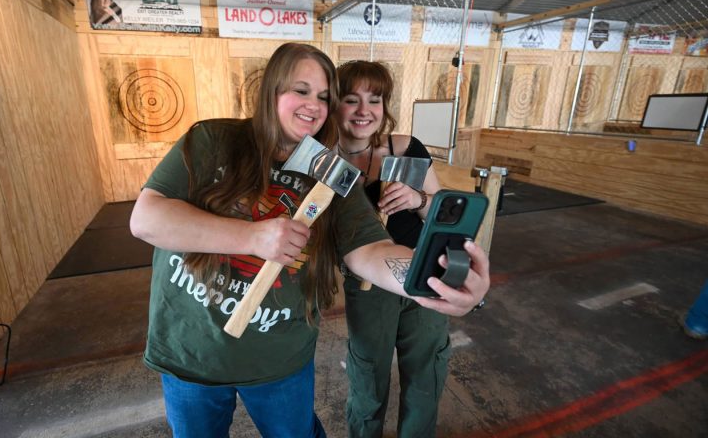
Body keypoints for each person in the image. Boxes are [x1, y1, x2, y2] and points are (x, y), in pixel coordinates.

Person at [130, 43, 490, 438]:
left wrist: (429, 277)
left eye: (323, 96)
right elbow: (147, 218)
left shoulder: (331, 172)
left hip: (280, 360)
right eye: (301, 91)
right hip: (191, 351)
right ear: (272, 92)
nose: (314, 105)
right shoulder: (214, 139)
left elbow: (369, 249)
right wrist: (252, 237)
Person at [335, 60, 448, 438]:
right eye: (352, 99)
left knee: (425, 378)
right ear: (335, 104)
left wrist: (418, 199)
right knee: (367, 382)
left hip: (423, 274)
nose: (364, 110)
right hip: (368, 287)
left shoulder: (404, 148)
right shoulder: (325, 160)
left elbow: (441, 211)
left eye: (375, 99)